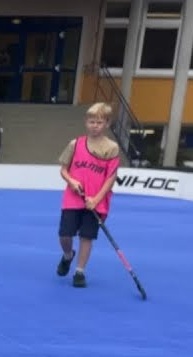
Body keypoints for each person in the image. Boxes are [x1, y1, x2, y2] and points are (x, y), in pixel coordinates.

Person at [56, 102, 121, 289]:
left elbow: (110, 178)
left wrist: (96, 199)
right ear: (86, 122)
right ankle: (68, 256)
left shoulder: (112, 148)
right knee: (64, 235)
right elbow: (63, 170)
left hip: (96, 202)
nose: (95, 125)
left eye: (99, 122)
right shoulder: (75, 144)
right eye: (92, 121)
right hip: (73, 198)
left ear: (107, 124)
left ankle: (79, 272)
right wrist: (71, 181)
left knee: (87, 237)